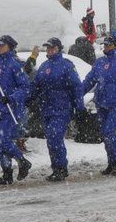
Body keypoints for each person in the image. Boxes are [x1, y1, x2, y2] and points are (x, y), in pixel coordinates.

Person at [29, 37, 83, 181]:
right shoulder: (44, 66)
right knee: (51, 140)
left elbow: (76, 86)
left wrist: (79, 105)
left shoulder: (66, 65)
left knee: (55, 137)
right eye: (48, 48)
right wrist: (28, 99)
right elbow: (36, 86)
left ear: (58, 49)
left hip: (62, 108)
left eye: (53, 48)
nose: (50, 50)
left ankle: (61, 167)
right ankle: (56, 168)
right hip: (46, 108)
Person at [0, 35, 32, 184]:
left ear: (9, 46)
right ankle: (7, 174)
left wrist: (11, 97)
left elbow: (25, 88)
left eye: (1, 45)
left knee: (3, 139)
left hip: (9, 109)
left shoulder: (15, 65)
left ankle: (22, 160)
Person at [82, 35, 116, 175]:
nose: (106, 47)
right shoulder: (99, 63)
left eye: (109, 45)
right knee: (105, 134)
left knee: (110, 132)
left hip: (115, 103)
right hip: (101, 102)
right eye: (105, 45)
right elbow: (89, 80)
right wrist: (78, 92)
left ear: (115, 46)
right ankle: (111, 161)